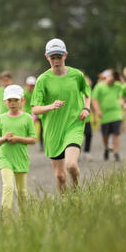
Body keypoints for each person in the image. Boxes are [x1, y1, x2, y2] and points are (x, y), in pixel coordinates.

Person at [31, 39, 91, 191]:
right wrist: (51, 106)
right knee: (60, 176)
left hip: (74, 124)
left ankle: (76, 192)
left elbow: (87, 93)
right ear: (47, 57)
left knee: (71, 165)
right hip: (53, 129)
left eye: (59, 57)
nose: (56, 61)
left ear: (65, 55)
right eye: (53, 58)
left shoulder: (77, 75)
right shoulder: (42, 80)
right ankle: (66, 204)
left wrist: (86, 109)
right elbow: (35, 109)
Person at [0, 85, 37, 213]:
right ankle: (5, 216)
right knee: (8, 186)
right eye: (10, 100)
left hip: (21, 157)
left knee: (22, 191)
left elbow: (33, 139)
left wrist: (18, 138)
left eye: (16, 100)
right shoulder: (1, 118)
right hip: (5, 156)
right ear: (5, 101)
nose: (12, 103)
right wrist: (4, 138)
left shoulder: (27, 118)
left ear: (22, 101)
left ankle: (24, 217)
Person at [92, 69, 123, 162]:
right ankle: (106, 148)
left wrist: (119, 78)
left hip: (116, 113)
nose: (111, 82)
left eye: (113, 80)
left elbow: (124, 89)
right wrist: (97, 110)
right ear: (107, 77)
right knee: (105, 135)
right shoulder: (99, 87)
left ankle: (116, 153)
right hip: (104, 115)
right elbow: (94, 99)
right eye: (110, 79)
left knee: (116, 134)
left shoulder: (117, 85)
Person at [24, 76, 44, 152]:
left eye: (32, 85)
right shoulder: (25, 94)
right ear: (27, 85)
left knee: (42, 129)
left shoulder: (37, 93)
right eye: (29, 85)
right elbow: (23, 104)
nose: (31, 87)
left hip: (38, 112)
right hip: (28, 113)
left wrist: (35, 114)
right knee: (26, 128)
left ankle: (41, 146)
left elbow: (38, 103)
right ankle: (24, 142)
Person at [82, 74, 94, 161]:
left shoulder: (89, 91)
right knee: (77, 136)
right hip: (76, 118)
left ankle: (87, 152)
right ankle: (76, 153)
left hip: (87, 118)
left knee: (88, 134)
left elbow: (92, 103)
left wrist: (96, 116)